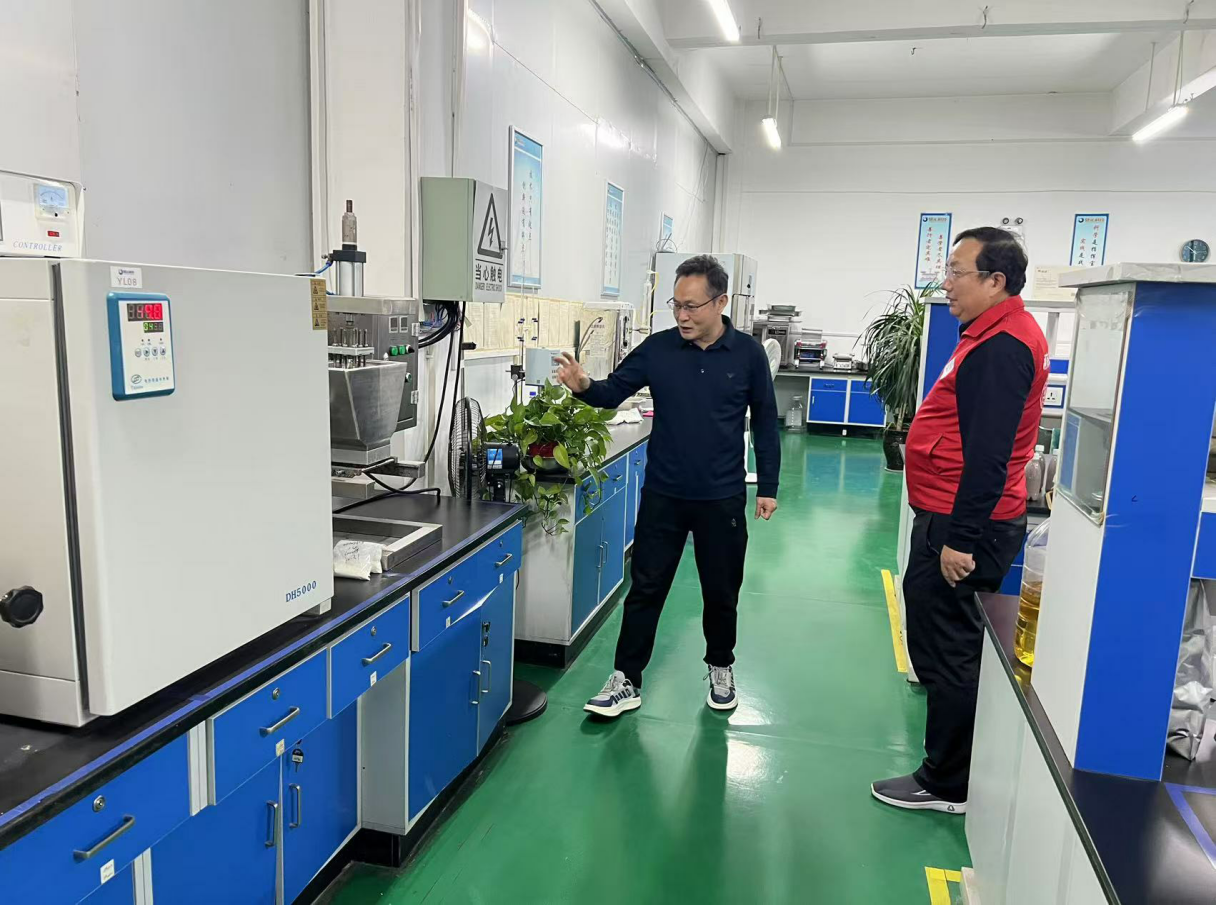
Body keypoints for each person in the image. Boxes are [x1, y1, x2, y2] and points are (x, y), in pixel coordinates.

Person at [552, 254, 780, 718]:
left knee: (721, 592)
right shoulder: (658, 349)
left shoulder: (748, 354)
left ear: (720, 303)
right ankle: (626, 679)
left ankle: (721, 666)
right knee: (646, 589)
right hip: (664, 494)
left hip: (722, 496)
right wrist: (583, 385)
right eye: (676, 305)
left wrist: (769, 486)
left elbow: (765, 422)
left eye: (692, 306)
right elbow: (612, 392)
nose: (682, 315)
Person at [872, 227, 1048, 814]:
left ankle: (946, 783)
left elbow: (989, 456)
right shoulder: (991, 334)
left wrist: (960, 540)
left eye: (956, 271)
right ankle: (954, 767)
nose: (945, 283)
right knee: (943, 642)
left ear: (995, 281)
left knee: (950, 651)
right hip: (954, 515)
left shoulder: (1002, 347)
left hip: (963, 524)